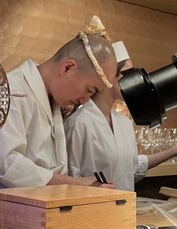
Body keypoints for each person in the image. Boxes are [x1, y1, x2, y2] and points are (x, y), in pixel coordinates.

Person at [0, 32, 117, 199]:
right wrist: (74, 184)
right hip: (0, 209)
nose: (85, 100)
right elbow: (3, 164)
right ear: (68, 68)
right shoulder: (8, 91)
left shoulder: (54, 101)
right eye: (89, 90)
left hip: (43, 207)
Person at [64, 41, 177, 191]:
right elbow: (69, 179)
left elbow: (131, 168)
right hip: (94, 205)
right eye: (127, 74)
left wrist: (173, 150)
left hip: (126, 203)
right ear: (109, 76)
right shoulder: (79, 123)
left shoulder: (124, 123)